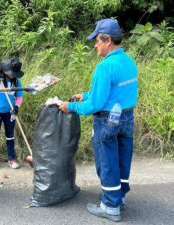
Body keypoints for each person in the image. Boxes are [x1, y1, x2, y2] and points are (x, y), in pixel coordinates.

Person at [59, 18, 138, 222]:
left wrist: (71, 106)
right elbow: (113, 93)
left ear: (108, 40)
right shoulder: (128, 61)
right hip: (126, 117)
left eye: (97, 41)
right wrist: (86, 94)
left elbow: (95, 105)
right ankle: (118, 198)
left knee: (107, 162)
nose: (95, 45)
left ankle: (110, 206)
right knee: (122, 159)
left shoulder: (104, 67)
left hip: (107, 122)